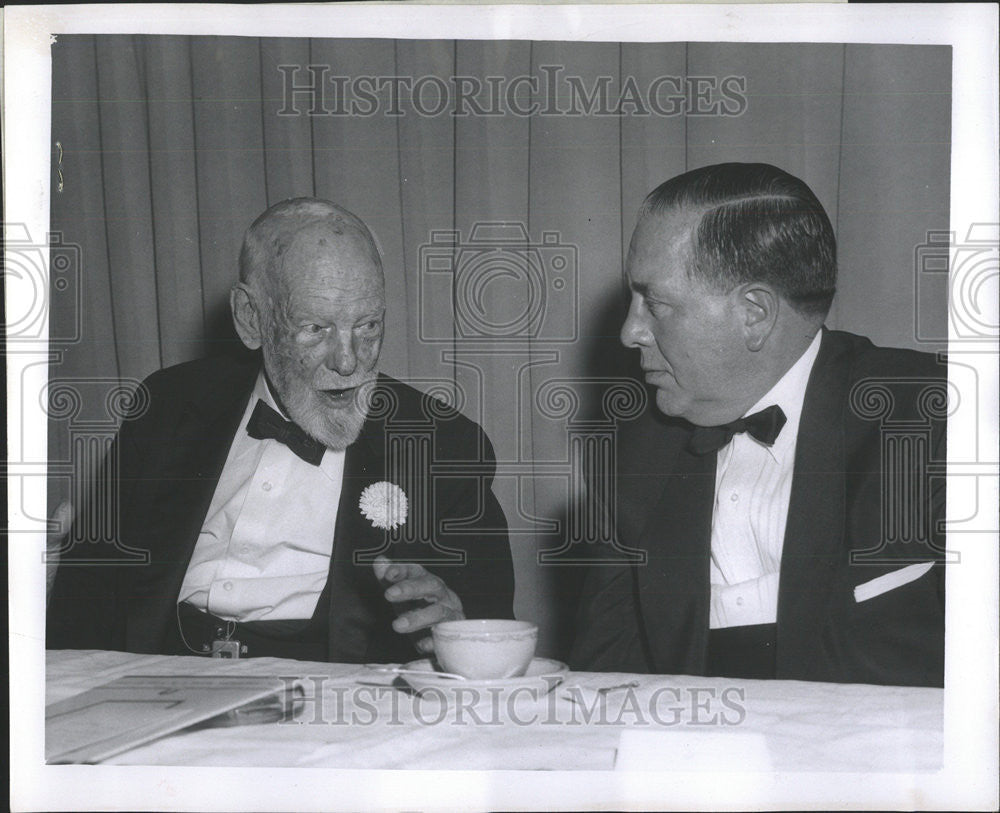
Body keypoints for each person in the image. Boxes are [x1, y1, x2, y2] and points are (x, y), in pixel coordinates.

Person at [47, 198, 515, 663]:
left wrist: (461, 628)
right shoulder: (168, 406)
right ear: (251, 318)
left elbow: (489, 628)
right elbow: (87, 600)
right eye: (315, 328)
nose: (349, 361)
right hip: (156, 678)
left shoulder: (444, 445)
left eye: (368, 325)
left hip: (335, 705)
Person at [570, 163, 946, 687]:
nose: (630, 332)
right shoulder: (630, 457)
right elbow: (605, 687)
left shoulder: (936, 418)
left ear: (754, 313)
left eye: (654, 304)